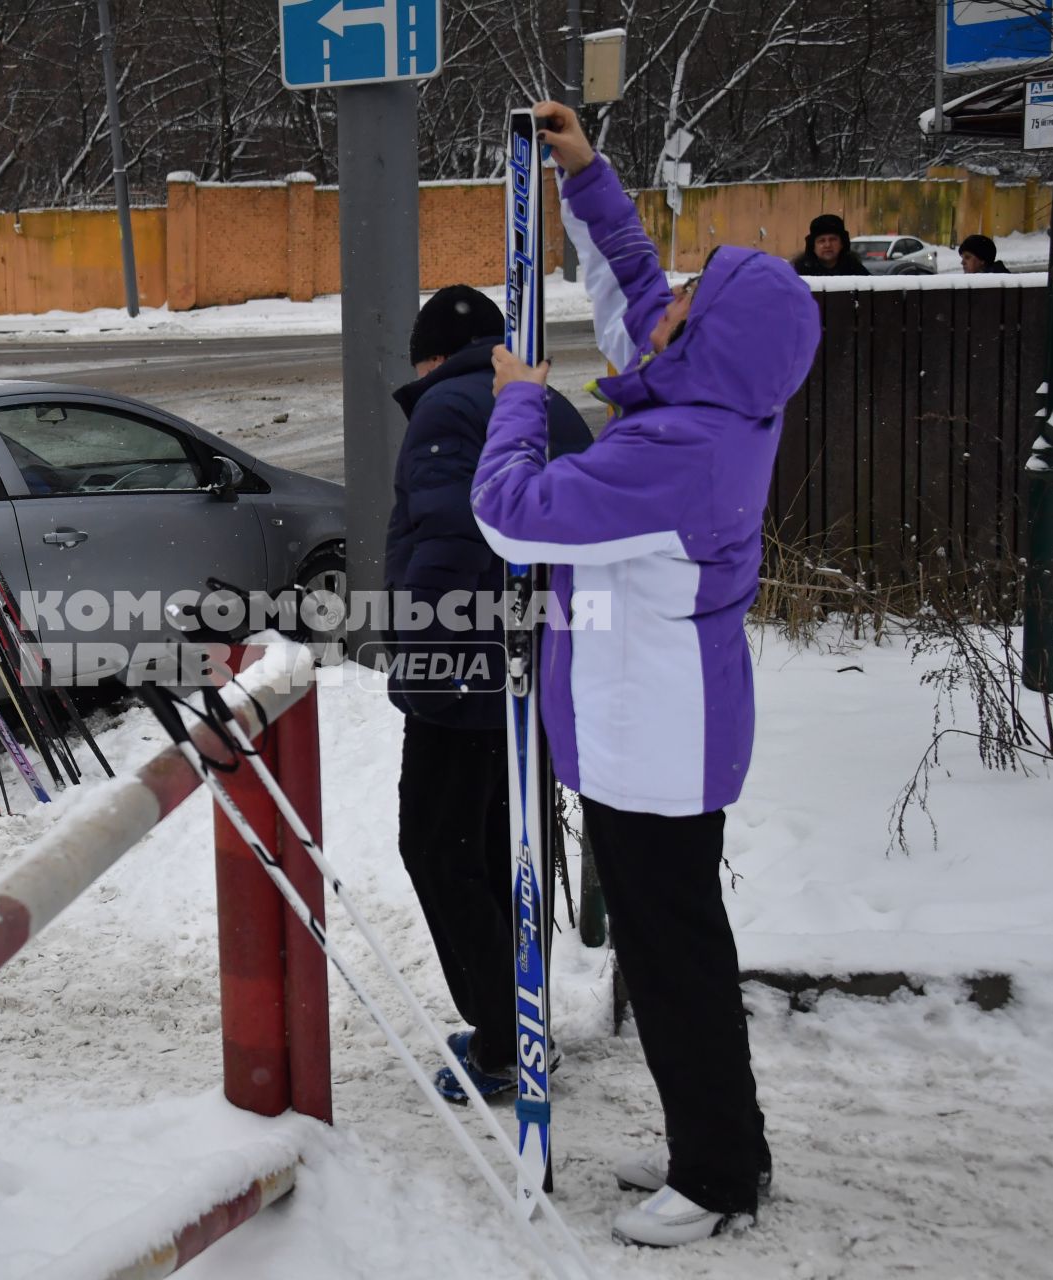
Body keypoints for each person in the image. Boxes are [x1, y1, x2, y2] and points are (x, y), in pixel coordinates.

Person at [471, 101, 820, 1248]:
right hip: (662, 730)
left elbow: (513, 516)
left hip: (654, 746)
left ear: (705, 344)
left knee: (674, 963)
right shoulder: (710, 398)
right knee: (681, 950)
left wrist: (520, 399)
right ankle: (718, 1143)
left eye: (692, 307)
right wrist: (587, 173)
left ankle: (716, 1174)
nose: (668, 309)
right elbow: (638, 290)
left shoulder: (674, 452)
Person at [384, 284, 589, 1104]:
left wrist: (426, 676)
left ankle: (503, 1041)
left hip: (469, 675)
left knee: (440, 847)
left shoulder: (445, 409)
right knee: (512, 849)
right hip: (542, 661)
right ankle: (523, 1024)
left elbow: (443, 547)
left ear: (429, 356)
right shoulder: (547, 405)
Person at [791, 212, 871, 277]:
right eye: (822, 241)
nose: (828, 245)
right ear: (813, 246)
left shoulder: (854, 269)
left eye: (833, 239)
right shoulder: (800, 272)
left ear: (842, 243)